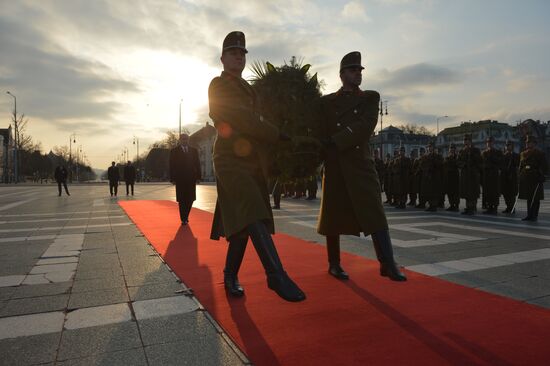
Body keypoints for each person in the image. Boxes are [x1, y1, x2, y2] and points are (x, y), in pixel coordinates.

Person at [208, 31, 305, 302]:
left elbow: (259, 117)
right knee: (253, 211)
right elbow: (242, 118)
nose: (238, 57)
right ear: (223, 58)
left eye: (242, 53)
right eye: (233, 53)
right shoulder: (218, 84)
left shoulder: (249, 89)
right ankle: (276, 275)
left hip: (250, 160)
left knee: (242, 224)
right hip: (229, 159)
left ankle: (230, 275)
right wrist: (276, 133)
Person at [314, 51, 406, 282]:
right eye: (353, 70)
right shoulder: (326, 102)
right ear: (342, 74)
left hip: (359, 163)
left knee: (374, 211)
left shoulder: (369, 98)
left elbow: (366, 125)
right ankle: (334, 263)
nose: (358, 73)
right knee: (332, 217)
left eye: (360, 70)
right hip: (335, 164)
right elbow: (318, 128)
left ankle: (387, 263)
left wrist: (336, 140)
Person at [169, 133, 201, 225]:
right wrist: (172, 178)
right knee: (182, 199)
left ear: (188, 140)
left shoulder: (194, 151)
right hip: (180, 179)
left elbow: (197, 164)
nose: (185, 141)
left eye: (186, 139)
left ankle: (186, 215)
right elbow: (171, 165)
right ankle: (183, 218)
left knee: (191, 198)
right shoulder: (174, 151)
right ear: (180, 140)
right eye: (183, 139)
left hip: (191, 178)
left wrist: (199, 177)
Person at [518, 135, 548, 221]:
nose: (528, 144)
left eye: (530, 142)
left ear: (534, 144)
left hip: (536, 177)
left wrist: (542, 175)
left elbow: (544, 166)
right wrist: (520, 175)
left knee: (536, 197)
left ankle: (534, 215)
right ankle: (529, 214)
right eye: (527, 142)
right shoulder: (523, 154)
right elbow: (521, 166)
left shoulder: (540, 154)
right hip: (527, 178)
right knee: (529, 197)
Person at [457, 134, 482, 215]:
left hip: (473, 173)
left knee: (472, 191)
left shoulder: (475, 150)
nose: (466, 141)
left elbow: (479, 160)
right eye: (465, 140)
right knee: (466, 192)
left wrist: (472, 155)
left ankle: (471, 207)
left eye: (467, 140)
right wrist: (463, 164)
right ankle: (468, 207)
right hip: (465, 174)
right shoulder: (461, 151)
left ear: (470, 141)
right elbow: (458, 162)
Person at [481, 136, 503, 214]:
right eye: (488, 142)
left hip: (494, 174)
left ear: (493, 143)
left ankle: (495, 207)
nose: (489, 143)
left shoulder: (497, 152)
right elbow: (481, 163)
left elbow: (500, 162)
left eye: (490, 142)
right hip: (486, 175)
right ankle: (489, 207)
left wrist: (493, 157)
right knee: (487, 191)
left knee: (494, 191)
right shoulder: (484, 153)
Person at [419, 142, 444, 211]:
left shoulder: (437, 156)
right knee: (428, 191)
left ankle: (434, 205)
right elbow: (421, 165)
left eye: (431, 147)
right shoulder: (425, 156)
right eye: (429, 147)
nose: (430, 148)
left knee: (434, 192)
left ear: (434, 148)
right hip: (428, 176)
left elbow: (440, 164)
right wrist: (427, 169)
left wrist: (434, 162)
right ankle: (431, 205)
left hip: (435, 176)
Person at [501, 140, 520, 213]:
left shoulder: (516, 155)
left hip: (512, 176)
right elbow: (501, 165)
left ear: (512, 146)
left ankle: (512, 208)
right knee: (505, 193)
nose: (508, 146)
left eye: (509, 145)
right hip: (504, 176)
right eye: (507, 145)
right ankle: (508, 207)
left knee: (512, 194)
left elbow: (518, 164)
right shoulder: (504, 155)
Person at [444, 143, 460, 211]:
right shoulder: (447, 158)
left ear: (455, 149)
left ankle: (456, 205)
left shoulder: (457, 157)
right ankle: (451, 205)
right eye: (450, 148)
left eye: (453, 148)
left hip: (455, 177)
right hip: (449, 177)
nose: (451, 150)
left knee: (455, 192)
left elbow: (458, 165)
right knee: (450, 191)